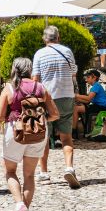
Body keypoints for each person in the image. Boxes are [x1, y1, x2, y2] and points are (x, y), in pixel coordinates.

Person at [0, 57, 59, 211]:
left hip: (15, 133)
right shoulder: (41, 88)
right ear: (30, 70)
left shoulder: (9, 88)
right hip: (38, 133)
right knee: (29, 175)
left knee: (10, 171)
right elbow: (55, 114)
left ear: (14, 69)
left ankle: (19, 205)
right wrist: (39, 117)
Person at [32, 25, 79, 188]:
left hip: (47, 98)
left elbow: (35, 78)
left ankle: (44, 173)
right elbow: (74, 73)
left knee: (44, 137)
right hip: (67, 96)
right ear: (58, 37)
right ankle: (69, 168)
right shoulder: (67, 52)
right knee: (66, 136)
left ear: (45, 39)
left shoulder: (40, 54)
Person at [72, 69, 106, 137]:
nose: (86, 79)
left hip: (100, 107)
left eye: (88, 77)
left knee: (75, 109)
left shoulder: (96, 86)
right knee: (76, 108)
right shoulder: (95, 86)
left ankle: (73, 131)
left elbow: (88, 98)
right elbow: (88, 101)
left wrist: (76, 95)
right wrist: (78, 99)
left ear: (94, 77)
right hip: (98, 106)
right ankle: (74, 130)